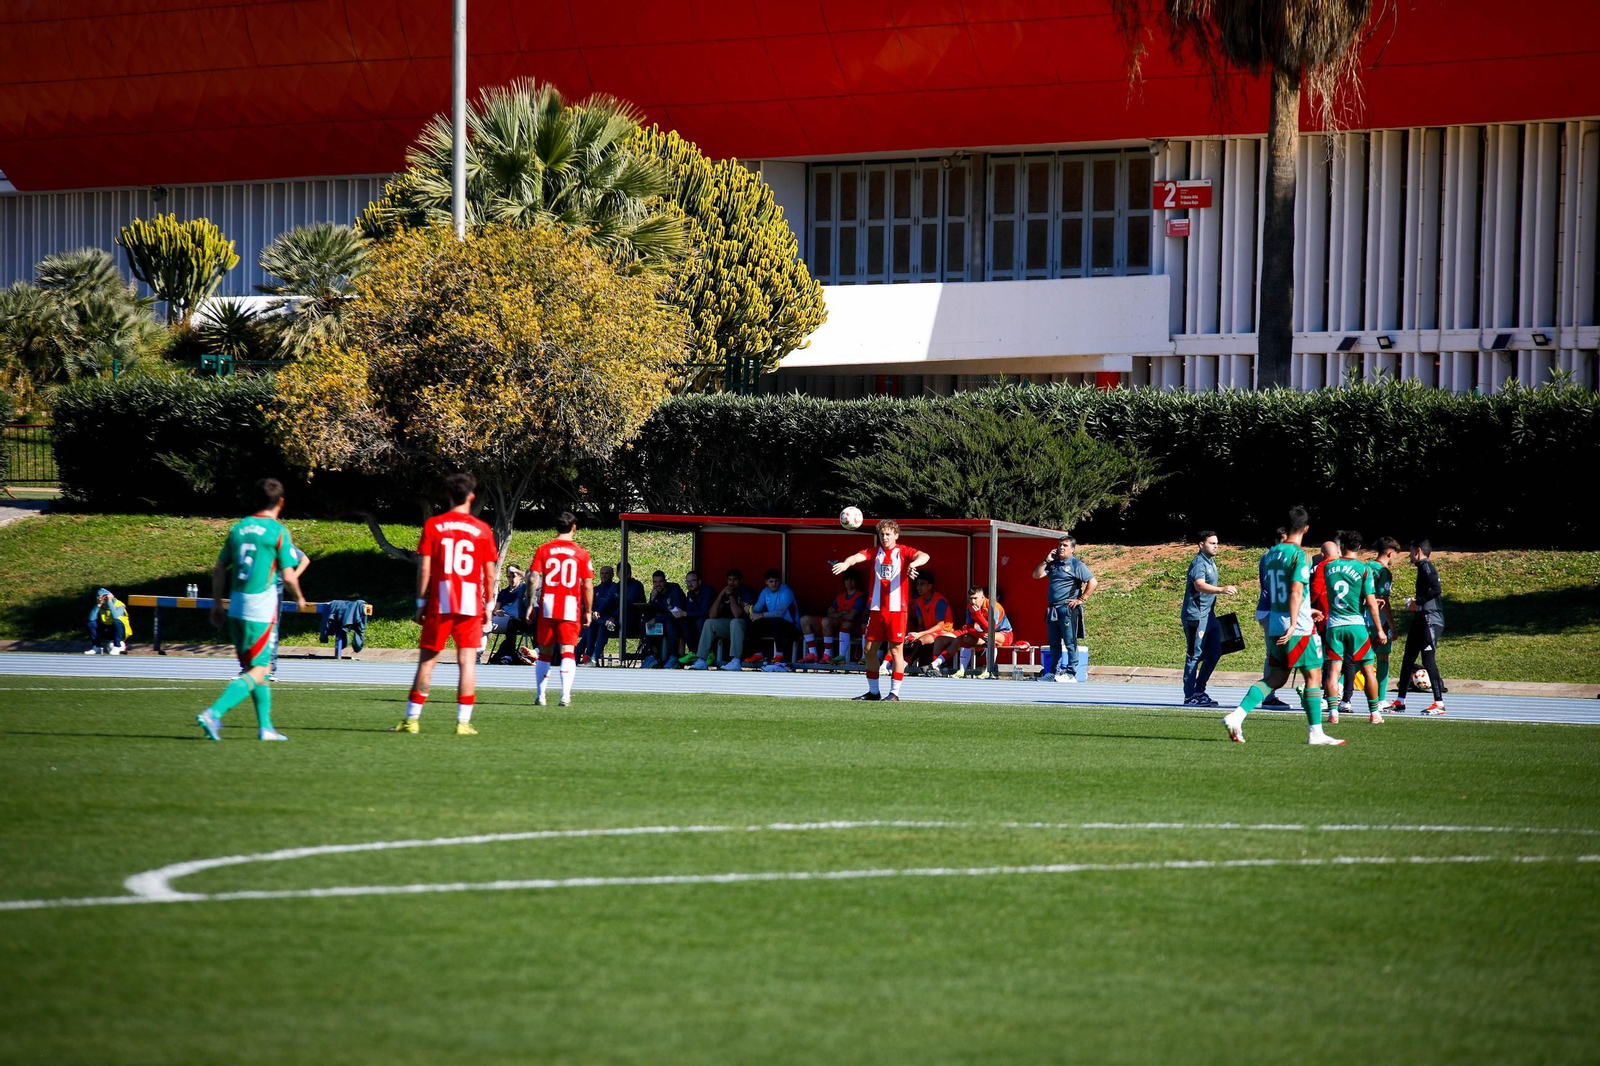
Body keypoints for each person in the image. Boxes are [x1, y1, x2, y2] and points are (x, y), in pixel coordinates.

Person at [196, 478, 308, 742]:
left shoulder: (238, 529)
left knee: (260, 667)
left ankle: (266, 727)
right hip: (259, 609)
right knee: (258, 670)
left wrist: (216, 603)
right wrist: (300, 597)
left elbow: (220, 567)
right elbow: (289, 575)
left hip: (235, 606)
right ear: (280, 502)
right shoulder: (277, 531)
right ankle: (214, 713)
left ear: (255, 501)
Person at [1222, 506, 1344, 746]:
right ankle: (1315, 733)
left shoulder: (1270, 555)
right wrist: (1296, 621)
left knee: (1275, 678)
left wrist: (1305, 610)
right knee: (1313, 674)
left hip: (1276, 622)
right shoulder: (1299, 555)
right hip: (1296, 627)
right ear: (1306, 528)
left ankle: (1237, 715)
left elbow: (1279, 593)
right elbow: (1296, 589)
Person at [392, 472, 497, 736]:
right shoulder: (482, 529)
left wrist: (420, 601)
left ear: (449, 495)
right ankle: (463, 722)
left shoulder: (434, 525)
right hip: (470, 604)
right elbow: (490, 572)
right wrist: (488, 605)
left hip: (440, 600)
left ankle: (411, 719)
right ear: (471, 497)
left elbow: (424, 568)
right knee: (467, 663)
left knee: (427, 662)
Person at [831, 519, 929, 701]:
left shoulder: (903, 551)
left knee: (895, 651)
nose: (885, 537)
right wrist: (846, 563)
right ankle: (874, 692)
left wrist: (913, 565)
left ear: (896, 535)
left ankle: (894, 693)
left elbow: (924, 555)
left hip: (897, 610)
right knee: (868, 650)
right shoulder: (874, 552)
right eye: (882, 534)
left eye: (888, 534)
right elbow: (856, 557)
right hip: (877, 610)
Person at [526, 511, 594, 706]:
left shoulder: (544, 549)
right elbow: (587, 584)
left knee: (545, 651)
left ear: (556, 527)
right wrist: (588, 610)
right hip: (570, 605)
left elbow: (533, 577)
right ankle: (565, 695)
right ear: (574, 527)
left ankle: (541, 695)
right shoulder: (581, 553)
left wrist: (530, 604)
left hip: (548, 604)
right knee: (567, 650)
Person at [1320, 529, 1388, 725]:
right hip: (1356, 624)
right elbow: (1369, 602)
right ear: (1359, 547)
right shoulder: (1364, 569)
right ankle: (1374, 712)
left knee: (1334, 670)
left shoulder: (1329, 567)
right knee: (1367, 669)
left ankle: (1333, 712)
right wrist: (1380, 629)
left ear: (1342, 546)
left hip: (1334, 624)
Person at [1181, 531, 1238, 707]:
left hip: (1209, 616)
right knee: (1194, 654)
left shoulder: (1211, 562)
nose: (1215, 546)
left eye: (1216, 543)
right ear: (1201, 545)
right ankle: (1190, 695)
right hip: (1196, 616)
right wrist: (1221, 590)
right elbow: (1199, 585)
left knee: (1214, 653)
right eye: (1211, 543)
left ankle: (1200, 690)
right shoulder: (1198, 563)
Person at [1033, 535, 1097, 682]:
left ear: (1072, 549)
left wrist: (1081, 599)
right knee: (1054, 642)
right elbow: (1036, 575)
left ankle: (1071, 673)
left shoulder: (1076, 564)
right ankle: (1052, 672)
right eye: (1060, 545)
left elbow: (1093, 582)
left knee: (1070, 641)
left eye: (1065, 545)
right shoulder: (1053, 564)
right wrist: (1046, 560)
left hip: (1068, 608)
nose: (1061, 548)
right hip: (1053, 609)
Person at [1394, 539, 1447, 715]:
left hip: (1430, 620)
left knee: (1427, 660)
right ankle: (1400, 701)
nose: (1409, 555)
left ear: (1417, 551)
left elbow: (1436, 589)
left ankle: (1439, 703)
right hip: (1421, 619)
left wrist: (1418, 601)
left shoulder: (1425, 566)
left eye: (1410, 552)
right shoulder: (1422, 568)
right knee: (1408, 658)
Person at [1254, 528, 1292, 708]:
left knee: (1277, 654)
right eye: (1284, 541)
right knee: (1273, 655)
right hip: (1271, 610)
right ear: (1277, 540)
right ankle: (1266, 696)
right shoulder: (1273, 557)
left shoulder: (1269, 556)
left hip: (1271, 610)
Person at [689, 569, 756, 670]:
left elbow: (737, 614)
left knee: (735, 621)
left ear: (741, 580)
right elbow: (712, 615)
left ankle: (736, 660)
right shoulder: (725, 593)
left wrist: (732, 596)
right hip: (730, 626)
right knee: (709, 622)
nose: (732, 583)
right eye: (729, 580)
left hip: (745, 625)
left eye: (735, 580)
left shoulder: (746, 591)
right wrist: (721, 594)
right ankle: (702, 660)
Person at [799, 570, 866, 665]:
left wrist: (837, 614)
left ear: (856, 581)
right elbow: (829, 613)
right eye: (847, 580)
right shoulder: (840, 596)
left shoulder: (860, 596)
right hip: (835, 625)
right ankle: (812, 653)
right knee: (804, 619)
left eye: (852, 580)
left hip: (852, 627)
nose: (849, 582)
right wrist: (842, 612)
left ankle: (827, 654)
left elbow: (851, 616)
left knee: (829, 621)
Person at [582, 563, 644, 663]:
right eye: (623, 572)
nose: (626, 574)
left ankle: (591, 656)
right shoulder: (616, 587)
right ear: (618, 574)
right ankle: (592, 657)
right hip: (616, 621)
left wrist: (613, 617)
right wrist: (599, 611)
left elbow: (627, 603)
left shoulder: (636, 586)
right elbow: (608, 601)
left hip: (631, 621)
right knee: (600, 624)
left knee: (603, 623)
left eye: (628, 572)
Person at [268, 545, 311, 677]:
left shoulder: (280, 542)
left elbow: (304, 559)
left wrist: (293, 576)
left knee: (271, 630)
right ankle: (248, 667)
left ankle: (269, 669)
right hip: (253, 590)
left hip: (273, 592)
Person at [952, 585, 1013, 677]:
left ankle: (989, 670)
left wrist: (978, 615)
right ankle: (962, 670)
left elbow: (991, 629)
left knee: (990, 637)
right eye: (970, 598)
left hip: (1004, 634)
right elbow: (969, 627)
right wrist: (979, 634)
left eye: (975, 598)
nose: (973, 602)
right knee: (966, 638)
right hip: (984, 634)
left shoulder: (995, 607)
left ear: (982, 597)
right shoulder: (970, 607)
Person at [744, 569, 801, 664]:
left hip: (792, 627)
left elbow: (779, 612)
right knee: (752, 620)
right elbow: (757, 609)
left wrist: (761, 615)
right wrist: (749, 609)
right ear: (766, 582)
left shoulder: (786, 591)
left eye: (776, 581)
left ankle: (780, 655)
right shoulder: (765, 592)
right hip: (774, 625)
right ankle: (758, 654)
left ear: (780, 581)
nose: (774, 584)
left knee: (776, 621)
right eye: (771, 581)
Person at [904, 573, 955, 676]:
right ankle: (889, 664)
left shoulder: (939, 601)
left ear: (930, 586)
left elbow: (940, 626)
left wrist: (920, 634)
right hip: (929, 632)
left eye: (922, 584)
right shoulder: (918, 601)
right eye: (918, 584)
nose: (919, 587)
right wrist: (916, 634)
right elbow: (920, 624)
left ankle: (907, 663)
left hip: (945, 632)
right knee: (907, 639)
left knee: (922, 640)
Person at [639, 570, 686, 668]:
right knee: (644, 621)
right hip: (662, 622)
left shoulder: (674, 591)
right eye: (655, 582)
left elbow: (676, 613)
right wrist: (652, 600)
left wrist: (657, 619)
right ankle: (651, 655)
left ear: (665, 581)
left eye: (660, 582)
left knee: (669, 622)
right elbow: (651, 612)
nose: (658, 585)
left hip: (679, 623)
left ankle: (674, 657)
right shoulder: (656, 594)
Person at [577, 565, 617, 663]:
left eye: (607, 573)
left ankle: (585, 653)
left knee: (597, 625)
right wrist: (594, 612)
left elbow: (613, 605)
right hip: (598, 620)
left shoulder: (615, 588)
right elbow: (590, 604)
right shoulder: (596, 589)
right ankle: (587, 655)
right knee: (593, 624)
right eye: (602, 573)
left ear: (612, 575)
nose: (604, 575)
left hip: (610, 619)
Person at [673, 570, 713, 663]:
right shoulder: (690, 593)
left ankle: (710, 652)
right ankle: (694, 651)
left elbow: (704, 612)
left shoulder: (707, 591)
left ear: (699, 581)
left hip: (710, 620)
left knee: (700, 621)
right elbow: (689, 610)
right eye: (687, 582)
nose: (689, 584)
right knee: (683, 621)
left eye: (692, 581)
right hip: (697, 619)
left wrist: (685, 613)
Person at [85, 587, 131, 655]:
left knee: (117, 621)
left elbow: (116, 617)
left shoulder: (119, 605)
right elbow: (91, 619)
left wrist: (109, 602)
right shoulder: (100, 606)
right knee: (91, 624)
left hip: (121, 631)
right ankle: (96, 646)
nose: (104, 604)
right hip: (108, 630)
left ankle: (117, 646)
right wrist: (98, 605)